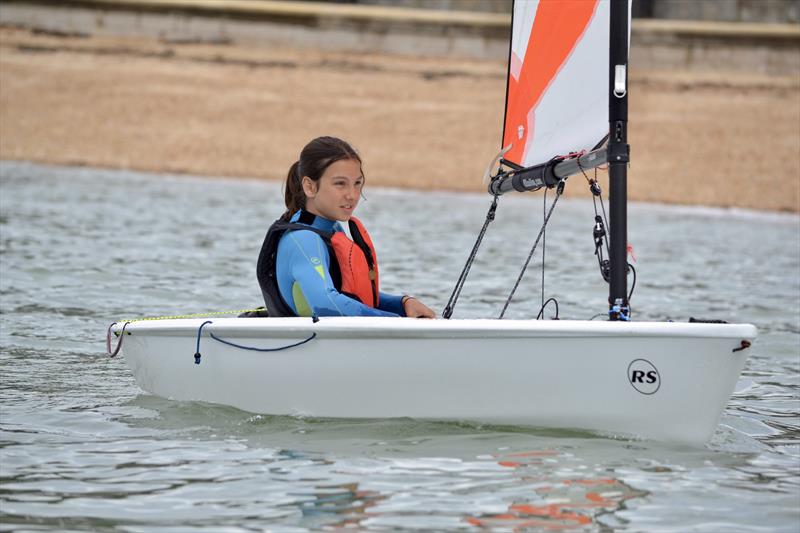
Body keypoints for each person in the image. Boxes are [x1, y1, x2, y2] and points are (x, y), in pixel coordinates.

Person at [257, 136, 436, 318]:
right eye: (340, 184)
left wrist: (402, 304)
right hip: (308, 344)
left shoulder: (331, 230)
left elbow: (352, 297)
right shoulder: (303, 239)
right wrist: (396, 321)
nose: (352, 195)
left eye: (357, 183)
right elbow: (325, 303)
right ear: (310, 187)